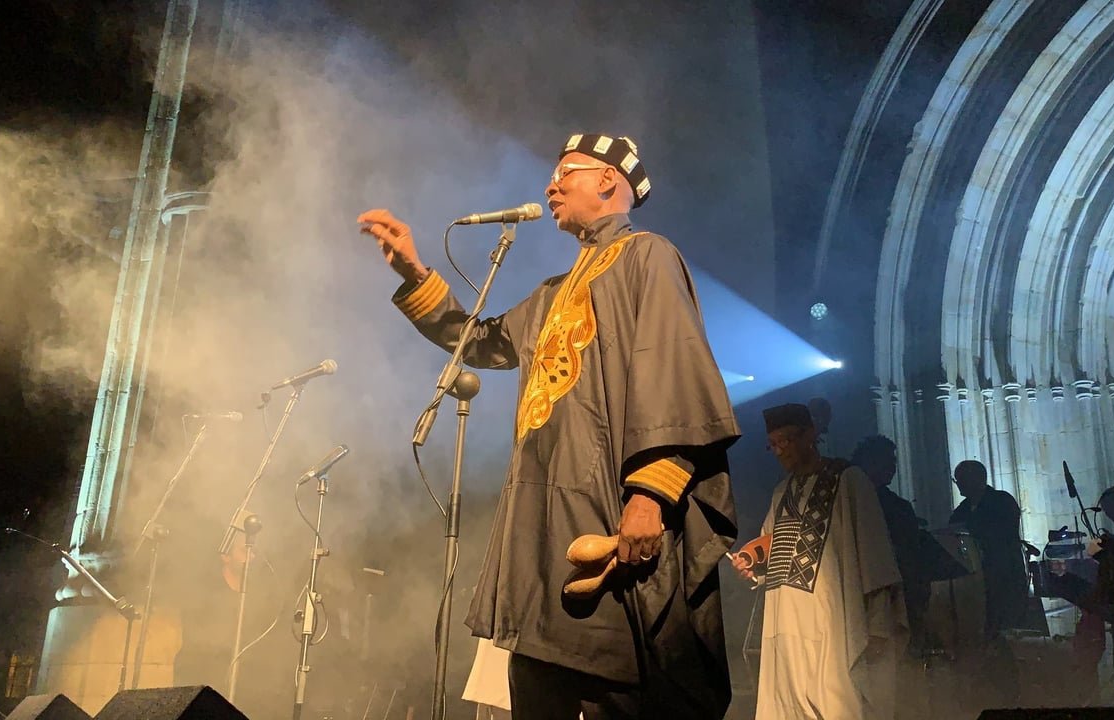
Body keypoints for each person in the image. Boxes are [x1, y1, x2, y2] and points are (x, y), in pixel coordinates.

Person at [359, 133, 740, 719]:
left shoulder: (647, 256)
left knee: (619, 685)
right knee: (538, 685)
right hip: (542, 535)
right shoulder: (549, 296)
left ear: (609, 181)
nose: (549, 186)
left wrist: (649, 497)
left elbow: (674, 376)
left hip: (608, 518)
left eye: (567, 172)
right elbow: (478, 343)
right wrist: (415, 273)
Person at [731, 404, 904, 720]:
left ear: (810, 434)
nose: (781, 450)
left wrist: (878, 624)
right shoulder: (781, 492)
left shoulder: (849, 480)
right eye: (774, 444)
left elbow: (873, 553)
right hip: (783, 621)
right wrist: (751, 566)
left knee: (837, 703)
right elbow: (774, 547)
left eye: (788, 440)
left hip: (830, 622)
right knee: (785, 704)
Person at [850, 436, 929, 648]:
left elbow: (912, 556)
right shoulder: (850, 504)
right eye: (887, 461)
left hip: (898, 595)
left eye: (893, 462)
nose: (893, 468)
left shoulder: (898, 506)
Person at [947, 460, 1028, 638]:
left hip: (1004, 575)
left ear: (976, 478)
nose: (958, 483)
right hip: (976, 579)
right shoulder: (961, 510)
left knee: (1007, 632)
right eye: (957, 480)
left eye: (961, 479)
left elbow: (1002, 534)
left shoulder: (1002, 501)